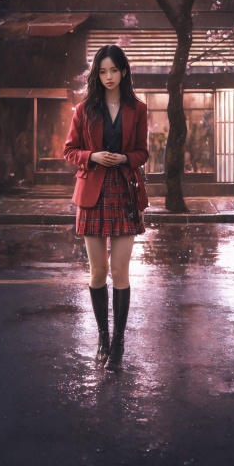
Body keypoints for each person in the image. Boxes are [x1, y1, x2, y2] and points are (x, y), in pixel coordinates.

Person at [64, 44, 148, 371]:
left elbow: (142, 152)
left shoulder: (137, 109)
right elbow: (70, 150)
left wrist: (126, 158)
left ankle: (118, 343)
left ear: (123, 72)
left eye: (114, 70)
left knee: (120, 271)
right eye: (103, 71)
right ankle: (102, 336)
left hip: (125, 192)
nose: (109, 76)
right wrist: (92, 156)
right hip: (92, 193)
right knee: (98, 271)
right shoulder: (85, 109)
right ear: (96, 74)